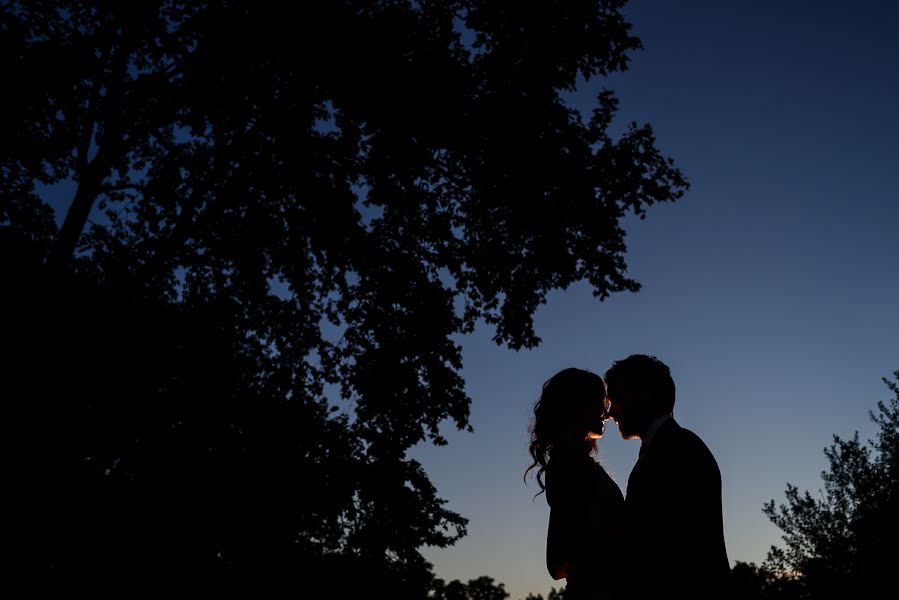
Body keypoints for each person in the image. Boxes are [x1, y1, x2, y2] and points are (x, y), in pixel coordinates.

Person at [604, 354, 731, 598]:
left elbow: (667, 540)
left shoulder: (680, 448)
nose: (610, 412)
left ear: (645, 393)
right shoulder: (665, 448)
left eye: (617, 398)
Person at [525, 368, 625, 599]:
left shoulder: (572, 464)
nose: (607, 414)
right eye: (602, 402)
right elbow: (558, 562)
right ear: (579, 407)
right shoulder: (569, 466)